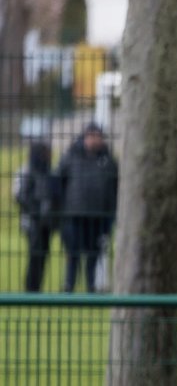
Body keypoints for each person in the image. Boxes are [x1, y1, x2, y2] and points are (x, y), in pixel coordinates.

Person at [56, 122, 118, 293]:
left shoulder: (108, 161)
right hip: (73, 215)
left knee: (93, 254)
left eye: (97, 136)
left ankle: (91, 286)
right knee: (73, 253)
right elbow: (58, 184)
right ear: (84, 137)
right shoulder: (70, 157)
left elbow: (115, 188)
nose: (94, 140)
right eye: (91, 136)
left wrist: (110, 214)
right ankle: (69, 285)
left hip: (98, 217)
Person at [12, 140, 57, 293]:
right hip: (31, 221)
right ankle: (31, 287)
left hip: (46, 222)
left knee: (43, 255)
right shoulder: (26, 170)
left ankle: (37, 287)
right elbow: (20, 196)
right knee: (34, 254)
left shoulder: (48, 172)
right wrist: (36, 211)